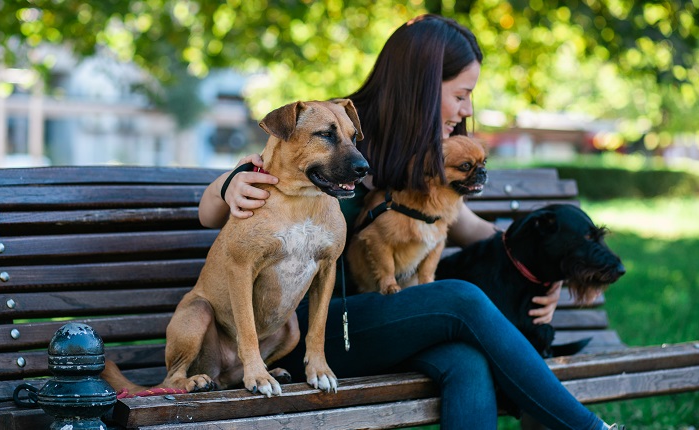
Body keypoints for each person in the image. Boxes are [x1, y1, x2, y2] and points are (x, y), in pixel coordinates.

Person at [198, 14, 623, 430]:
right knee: (460, 298)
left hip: (374, 325)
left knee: (465, 361)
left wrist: (544, 275)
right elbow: (220, 203)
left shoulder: (423, 153)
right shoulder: (332, 126)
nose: (466, 108)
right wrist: (228, 185)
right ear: (422, 86)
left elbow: (475, 229)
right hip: (297, 332)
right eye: (461, 93)